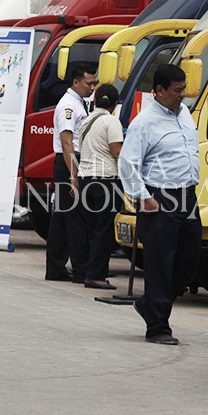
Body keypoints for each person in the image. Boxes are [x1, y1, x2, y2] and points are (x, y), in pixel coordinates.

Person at [118, 64, 200, 345]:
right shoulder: (145, 122)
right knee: (160, 263)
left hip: (188, 197)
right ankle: (157, 327)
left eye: (184, 88)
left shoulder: (185, 113)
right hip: (159, 198)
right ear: (160, 91)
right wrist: (144, 197)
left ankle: (150, 303)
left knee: (190, 260)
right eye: (177, 90)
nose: (183, 95)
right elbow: (127, 162)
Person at [45, 63, 98, 282]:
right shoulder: (68, 106)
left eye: (94, 83)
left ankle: (56, 268)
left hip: (73, 162)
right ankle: (81, 270)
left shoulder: (79, 102)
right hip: (69, 162)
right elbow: (67, 143)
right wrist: (74, 176)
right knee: (76, 219)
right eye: (89, 83)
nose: (92, 87)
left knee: (62, 219)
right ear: (76, 82)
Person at [78, 84, 124, 290]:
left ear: (96, 100)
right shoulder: (111, 121)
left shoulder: (86, 121)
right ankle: (96, 276)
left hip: (85, 179)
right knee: (104, 231)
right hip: (105, 180)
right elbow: (117, 153)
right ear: (114, 103)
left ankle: (91, 271)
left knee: (92, 229)